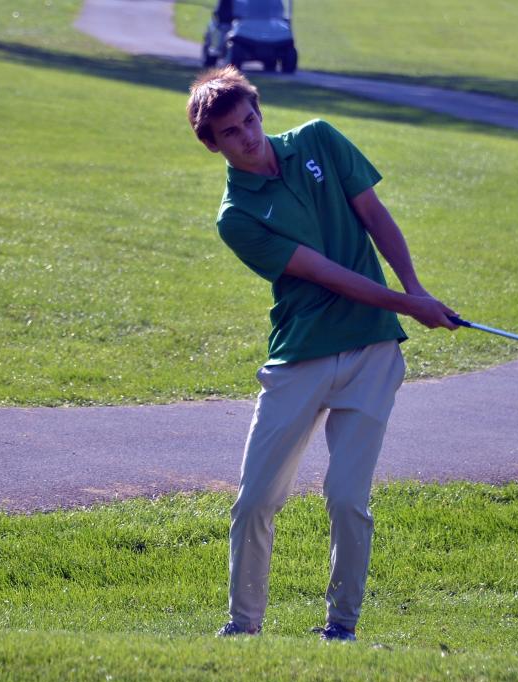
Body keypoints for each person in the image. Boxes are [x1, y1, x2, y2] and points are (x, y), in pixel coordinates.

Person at [186, 66, 458, 641]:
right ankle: (243, 625)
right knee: (257, 498)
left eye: (250, 119)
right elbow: (326, 274)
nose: (249, 135)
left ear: (260, 110)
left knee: (347, 498)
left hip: (372, 351)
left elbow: (375, 216)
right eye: (231, 132)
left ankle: (341, 627)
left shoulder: (319, 139)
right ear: (212, 143)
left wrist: (415, 289)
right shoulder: (236, 218)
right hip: (301, 355)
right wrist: (413, 308)